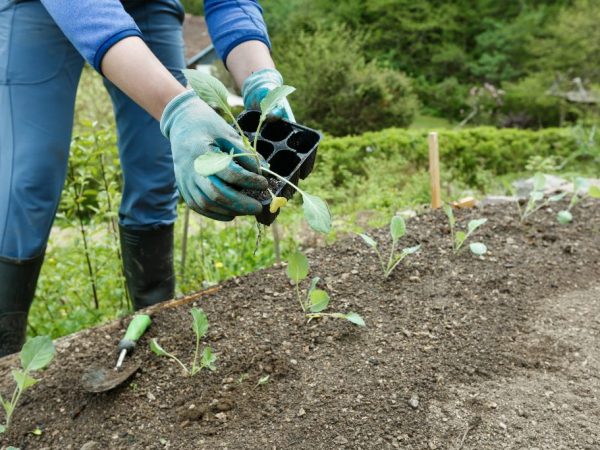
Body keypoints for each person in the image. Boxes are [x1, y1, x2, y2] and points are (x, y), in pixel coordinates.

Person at [0, 0, 294, 357]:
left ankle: (154, 329)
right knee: (27, 178)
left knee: (156, 171)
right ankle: (5, 358)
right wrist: (178, 107)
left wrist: (260, 74)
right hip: (41, 8)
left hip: (147, 5)